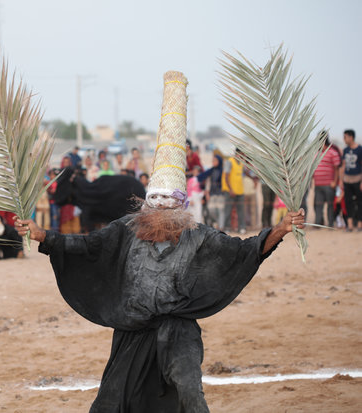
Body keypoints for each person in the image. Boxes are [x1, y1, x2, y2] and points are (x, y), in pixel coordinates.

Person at [15, 71, 307, 412]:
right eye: (155, 203)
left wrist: (283, 228)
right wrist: (41, 236)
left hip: (178, 329)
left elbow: (245, 250)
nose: (161, 211)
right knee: (111, 402)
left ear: (181, 208)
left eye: (169, 204)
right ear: (146, 203)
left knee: (189, 390)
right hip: (132, 329)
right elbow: (87, 246)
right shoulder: (126, 228)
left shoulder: (200, 237)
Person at [312, 132, 341, 227]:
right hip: (318, 184)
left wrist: (335, 182)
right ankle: (318, 224)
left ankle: (330, 224)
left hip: (329, 184)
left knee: (330, 205)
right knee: (318, 205)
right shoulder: (316, 153)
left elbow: (337, 169)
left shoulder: (333, 152)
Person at [340, 129, 362, 231]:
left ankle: (359, 224)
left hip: (358, 179)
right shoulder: (345, 150)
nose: (344, 139)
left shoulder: (360, 149)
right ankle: (349, 225)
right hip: (347, 180)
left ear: (351, 137)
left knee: (359, 202)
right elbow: (343, 166)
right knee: (348, 202)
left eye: (345, 137)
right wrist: (341, 180)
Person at [222, 149, 246, 234]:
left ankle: (242, 228)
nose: (243, 156)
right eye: (242, 154)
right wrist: (230, 190)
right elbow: (226, 177)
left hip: (240, 191)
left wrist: (253, 179)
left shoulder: (242, 163)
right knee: (228, 210)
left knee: (241, 210)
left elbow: (243, 174)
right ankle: (227, 228)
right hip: (230, 191)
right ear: (237, 154)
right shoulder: (229, 162)